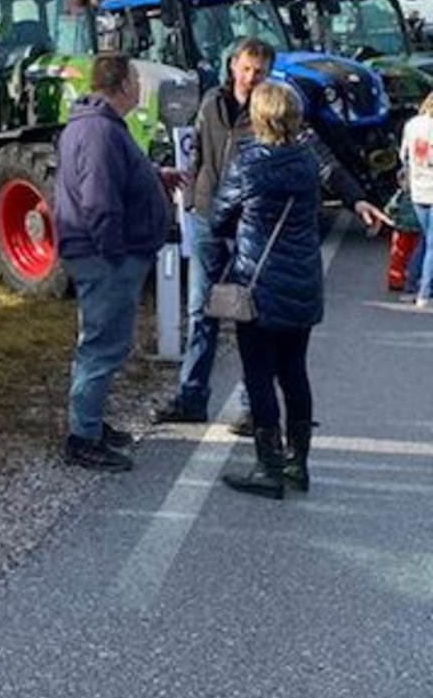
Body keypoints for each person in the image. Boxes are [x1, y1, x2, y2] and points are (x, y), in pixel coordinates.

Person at [153, 37, 389, 428]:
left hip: (251, 227)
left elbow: (321, 159)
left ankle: (253, 408)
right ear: (233, 66)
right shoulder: (211, 103)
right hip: (208, 218)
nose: (251, 77)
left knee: (252, 317)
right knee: (201, 312)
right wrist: (193, 198)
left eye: (259, 71)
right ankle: (192, 398)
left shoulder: (275, 110)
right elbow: (198, 153)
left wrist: (356, 199)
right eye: (246, 68)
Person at [55, 53, 177, 470]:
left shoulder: (100, 127)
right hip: (105, 258)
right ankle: (82, 438)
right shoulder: (99, 132)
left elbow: (113, 179)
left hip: (104, 254)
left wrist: (154, 178)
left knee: (103, 343)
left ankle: (89, 422)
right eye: (137, 80)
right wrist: (115, 252)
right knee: (101, 346)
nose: (141, 88)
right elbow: (99, 200)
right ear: (124, 84)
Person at [209, 80, 324, 497]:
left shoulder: (248, 163)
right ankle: (299, 463)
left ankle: (268, 467)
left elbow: (220, 218)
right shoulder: (308, 161)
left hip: (258, 281)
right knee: (295, 371)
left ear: (258, 117)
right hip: (303, 278)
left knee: (259, 375)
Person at [398, 89, 433, 309]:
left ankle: (411, 284)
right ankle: (424, 292)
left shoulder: (412, 125)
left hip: (418, 189)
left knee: (426, 239)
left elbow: (403, 155)